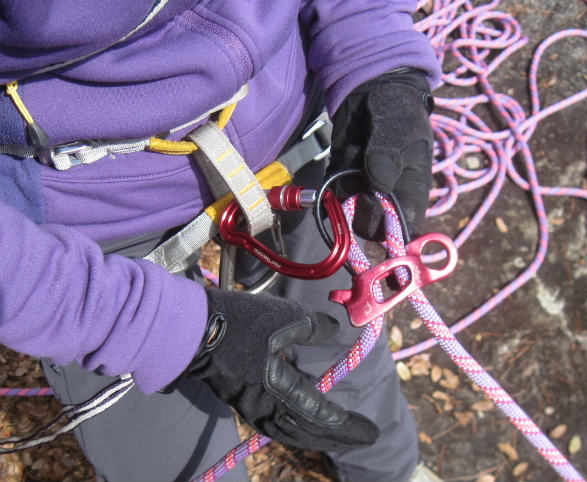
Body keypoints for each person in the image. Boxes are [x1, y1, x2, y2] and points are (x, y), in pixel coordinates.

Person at [0, 1, 442, 481]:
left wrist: (380, 60)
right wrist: (153, 327)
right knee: (170, 455)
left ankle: (392, 471)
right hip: (80, 219)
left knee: (342, 332)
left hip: (285, 126)